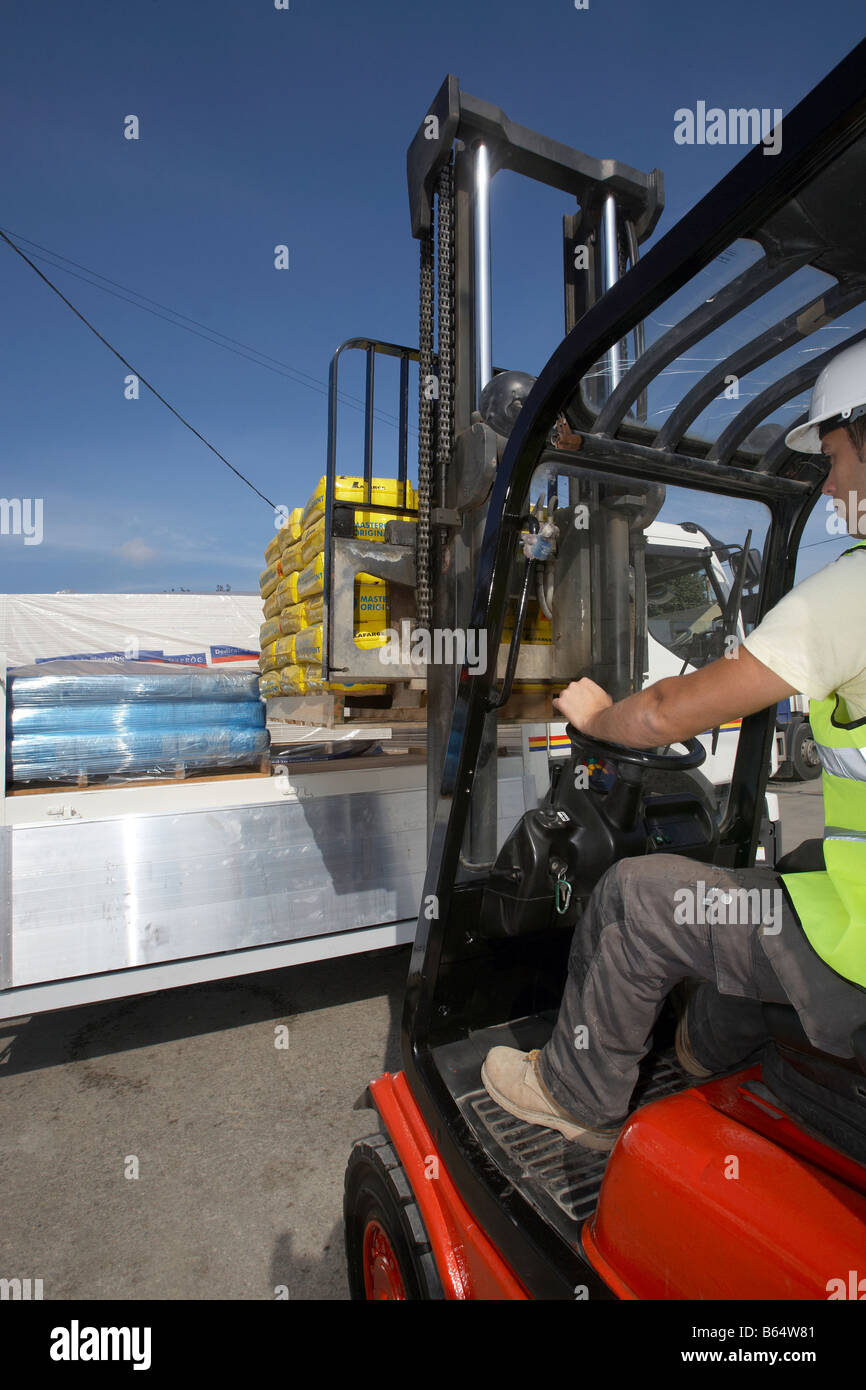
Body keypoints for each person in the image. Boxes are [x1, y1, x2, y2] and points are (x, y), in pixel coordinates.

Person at [482, 338, 866, 1150]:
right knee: (780, 878)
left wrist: (596, 716)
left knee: (635, 895)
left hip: (860, 961)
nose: (830, 484)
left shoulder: (852, 595)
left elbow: (662, 715)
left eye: (833, 456)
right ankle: (703, 1049)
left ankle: (576, 1092)